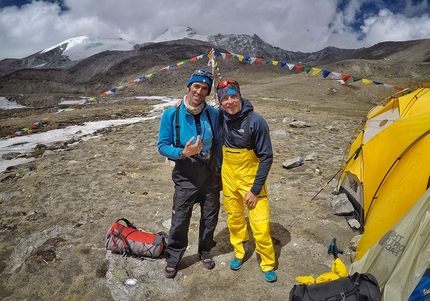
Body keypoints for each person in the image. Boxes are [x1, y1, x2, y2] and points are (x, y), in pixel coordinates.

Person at [157, 69, 222, 279]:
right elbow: (162, 146)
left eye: (204, 88)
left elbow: (237, 108)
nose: (200, 91)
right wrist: (182, 153)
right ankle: (174, 257)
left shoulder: (213, 113)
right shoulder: (171, 114)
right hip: (185, 175)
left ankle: (204, 251)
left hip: (210, 173)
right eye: (196, 86)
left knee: (210, 217)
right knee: (180, 219)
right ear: (189, 87)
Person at [217, 79, 277, 282]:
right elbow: (198, 112)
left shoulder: (256, 122)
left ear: (240, 97)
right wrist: (181, 104)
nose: (230, 102)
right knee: (234, 219)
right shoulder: (220, 117)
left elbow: (267, 157)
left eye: (234, 96)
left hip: (251, 181)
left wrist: (255, 189)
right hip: (229, 178)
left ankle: (267, 262)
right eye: (225, 98)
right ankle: (240, 251)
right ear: (220, 102)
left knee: (260, 224)